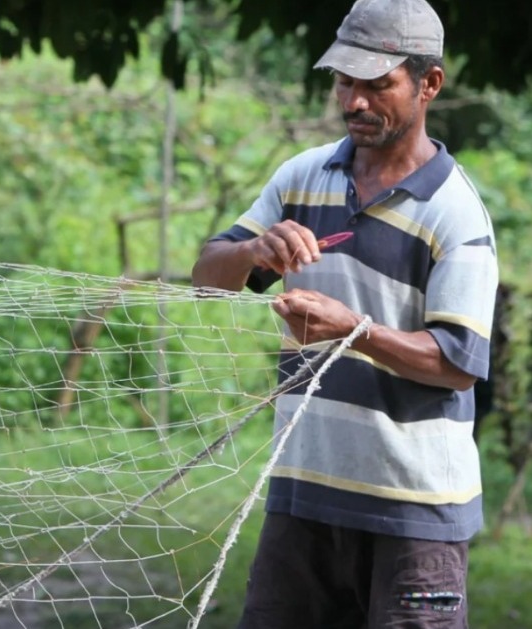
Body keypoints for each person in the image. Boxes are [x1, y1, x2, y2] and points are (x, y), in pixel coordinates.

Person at [191, 0, 499, 626]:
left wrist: (351, 331)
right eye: (344, 82)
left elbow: (456, 365)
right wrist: (255, 249)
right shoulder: (302, 178)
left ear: (429, 84)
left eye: (377, 84)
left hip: (414, 514)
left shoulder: (455, 213)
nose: (354, 102)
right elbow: (206, 279)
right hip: (303, 496)